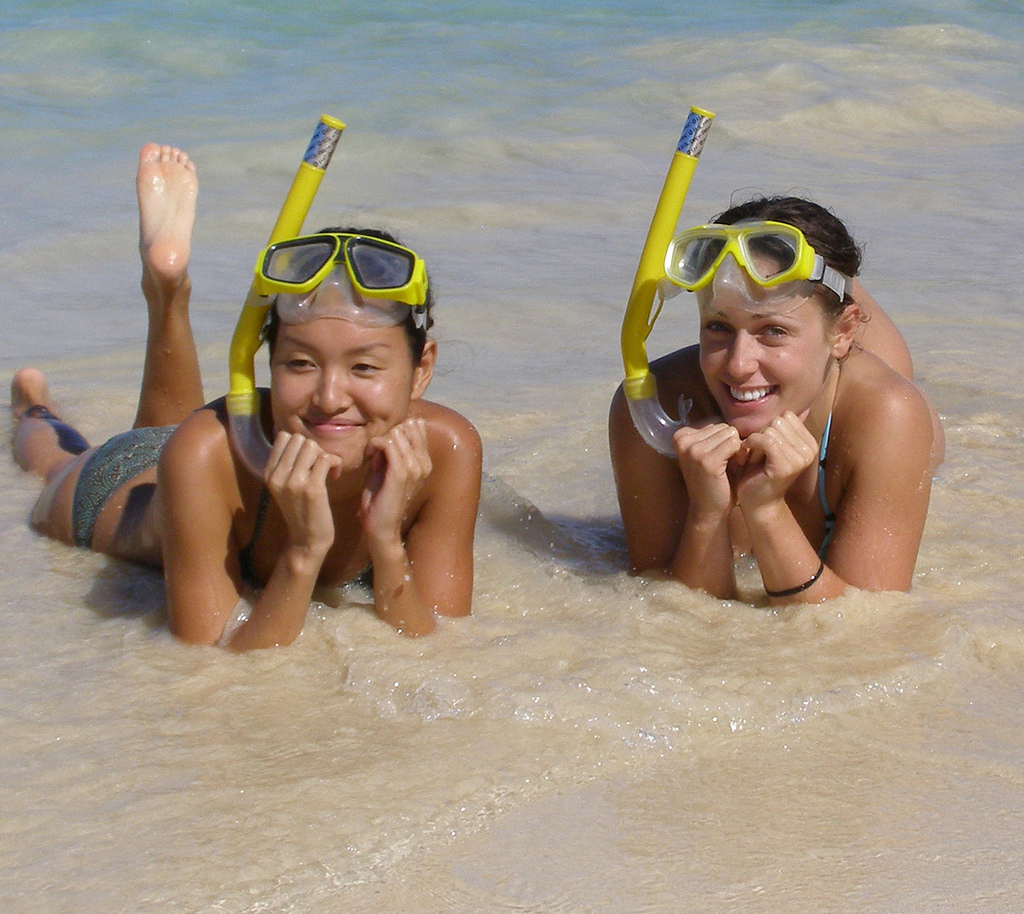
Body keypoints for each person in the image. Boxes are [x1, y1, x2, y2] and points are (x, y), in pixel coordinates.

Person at [12, 143, 482, 649]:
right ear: (266, 359)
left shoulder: (448, 450)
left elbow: (434, 642)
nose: (328, 397)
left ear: (421, 369)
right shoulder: (202, 455)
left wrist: (386, 542)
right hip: (120, 486)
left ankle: (166, 290)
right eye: (299, 363)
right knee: (50, 456)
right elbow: (214, 663)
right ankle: (32, 399)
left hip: (188, 451)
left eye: (363, 367)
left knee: (172, 428)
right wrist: (304, 552)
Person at [608, 195, 942, 602]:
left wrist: (767, 512)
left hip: (850, 385)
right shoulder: (651, 405)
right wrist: (706, 514)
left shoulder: (888, 415)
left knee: (901, 385)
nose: (737, 364)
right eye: (717, 325)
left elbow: (858, 632)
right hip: (814, 351)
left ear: (843, 333)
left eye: (773, 330)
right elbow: (677, 612)